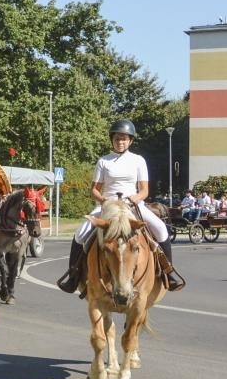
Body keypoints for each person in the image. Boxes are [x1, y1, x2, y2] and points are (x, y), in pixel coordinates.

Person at [56, 120, 185, 294]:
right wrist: (103, 201)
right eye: (117, 138)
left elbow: (145, 190)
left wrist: (135, 198)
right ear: (112, 140)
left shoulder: (138, 160)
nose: (120, 142)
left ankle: (169, 273)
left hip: (133, 205)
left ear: (130, 141)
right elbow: (94, 189)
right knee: (80, 234)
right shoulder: (103, 161)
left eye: (124, 139)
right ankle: (73, 276)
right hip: (108, 206)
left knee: (161, 229)